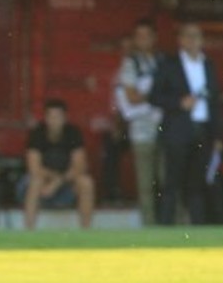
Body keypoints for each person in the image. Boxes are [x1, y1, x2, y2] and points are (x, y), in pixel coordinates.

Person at [150, 23, 221, 226]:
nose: (192, 40)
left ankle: (197, 228)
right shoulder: (168, 64)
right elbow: (154, 96)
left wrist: (217, 136)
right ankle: (165, 227)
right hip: (177, 131)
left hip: (203, 129)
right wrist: (179, 103)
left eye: (196, 36)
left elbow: (215, 101)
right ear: (180, 39)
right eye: (187, 36)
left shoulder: (208, 65)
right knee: (172, 182)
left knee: (196, 184)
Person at [112, 19, 162, 225]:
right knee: (146, 184)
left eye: (147, 35)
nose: (143, 40)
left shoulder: (162, 61)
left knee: (167, 181)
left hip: (165, 128)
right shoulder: (130, 63)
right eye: (138, 36)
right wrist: (159, 94)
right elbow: (131, 96)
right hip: (142, 130)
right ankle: (149, 227)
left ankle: (173, 227)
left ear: (154, 38)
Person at [21, 99, 94, 229]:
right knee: (36, 181)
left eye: (58, 116)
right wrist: (52, 180)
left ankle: (86, 232)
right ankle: (29, 231)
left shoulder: (73, 133)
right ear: (46, 118)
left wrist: (57, 182)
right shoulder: (37, 134)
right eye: (51, 116)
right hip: (40, 186)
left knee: (86, 182)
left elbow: (80, 166)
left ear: (65, 118)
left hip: (63, 186)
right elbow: (34, 168)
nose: (54, 120)